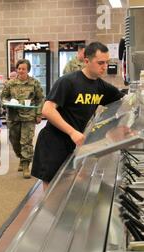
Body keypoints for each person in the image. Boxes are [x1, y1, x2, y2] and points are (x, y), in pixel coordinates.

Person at [31, 42, 125, 189]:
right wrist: (72, 131)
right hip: (54, 141)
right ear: (86, 61)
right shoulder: (68, 81)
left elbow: (123, 99)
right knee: (51, 188)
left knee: (67, 185)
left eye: (107, 62)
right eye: (100, 63)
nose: (105, 67)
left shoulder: (101, 86)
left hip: (75, 142)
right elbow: (47, 110)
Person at [1, 59, 44, 179]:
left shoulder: (34, 83)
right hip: (13, 117)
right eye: (19, 68)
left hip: (28, 117)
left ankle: (26, 165)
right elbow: (3, 97)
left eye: (23, 69)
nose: (21, 71)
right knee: (14, 141)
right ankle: (21, 157)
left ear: (28, 70)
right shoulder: (10, 83)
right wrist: (7, 103)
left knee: (26, 141)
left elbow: (41, 99)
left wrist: (39, 114)